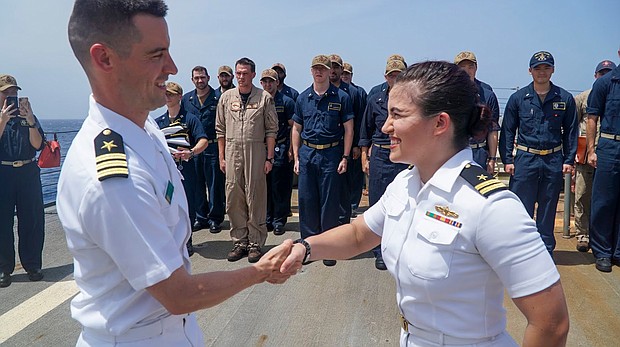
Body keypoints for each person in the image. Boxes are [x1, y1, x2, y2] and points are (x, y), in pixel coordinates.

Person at [281, 61, 570, 347]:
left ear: (440, 123)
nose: (385, 126)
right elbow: (359, 234)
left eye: (398, 114)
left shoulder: (492, 206)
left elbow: (551, 324)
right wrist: (305, 248)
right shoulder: (406, 183)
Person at [59, 2, 296, 345]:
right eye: (156, 54)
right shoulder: (111, 179)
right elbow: (179, 294)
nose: (172, 67)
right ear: (104, 59)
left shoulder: (147, 131)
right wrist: (261, 271)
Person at [499, 51, 578, 255]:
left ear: (552, 70)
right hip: (526, 160)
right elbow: (507, 130)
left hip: (553, 160)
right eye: (537, 68)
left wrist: (568, 160)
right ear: (530, 71)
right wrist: (507, 159)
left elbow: (571, 131)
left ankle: (545, 251)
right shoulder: (518, 98)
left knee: (548, 206)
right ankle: (521, 251)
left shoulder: (565, 98)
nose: (541, 72)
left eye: (546, 68)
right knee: (521, 208)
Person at [292, 54, 353, 267]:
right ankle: (309, 247)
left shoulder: (341, 97)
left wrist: (345, 156)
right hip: (308, 155)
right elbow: (296, 128)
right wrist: (297, 157)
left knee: (330, 203)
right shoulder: (302, 98)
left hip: (331, 154)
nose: (319, 72)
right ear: (311, 71)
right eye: (315, 68)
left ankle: (328, 248)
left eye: (323, 69)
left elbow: (348, 128)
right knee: (307, 201)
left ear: (329, 71)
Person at [216, 57, 278, 263]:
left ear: (253, 75)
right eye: (238, 73)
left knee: (256, 195)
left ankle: (255, 243)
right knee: (233, 195)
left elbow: (271, 130)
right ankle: (239, 241)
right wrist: (222, 156)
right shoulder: (226, 98)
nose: (241, 77)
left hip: (256, 150)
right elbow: (220, 129)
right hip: (232, 151)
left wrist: (269, 157)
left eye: (245, 73)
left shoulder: (264, 98)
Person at [359, 60, 408, 270]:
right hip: (380, 154)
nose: (394, 79)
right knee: (378, 202)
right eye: (391, 75)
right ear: (385, 76)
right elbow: (365, 129)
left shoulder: (413, 100)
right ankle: (379, 250)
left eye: (399, 75)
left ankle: (401, 249)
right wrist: (364, 156)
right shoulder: (375, 99)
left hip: (404, 154)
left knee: (405, 204)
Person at [0, 74, 45, 288]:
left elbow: (37, 145)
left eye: (13, 92)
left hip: (27, 170)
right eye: (6, 93)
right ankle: (3, 268)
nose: (11, 96)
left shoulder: (28, 117)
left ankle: (33, 264)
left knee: (32, 220)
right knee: (2, 223)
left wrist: (30, 121)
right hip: (3, 172)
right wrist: (2, 121)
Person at [155, 81, 208, 256]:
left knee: (187, 204)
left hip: (186, 168)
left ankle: (187, 240)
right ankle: (170, 240)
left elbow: (203, 140)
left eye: (170, 94)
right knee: (167, 204)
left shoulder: (190, 118)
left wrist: (191, 152)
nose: (167, 97)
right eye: (165, 94)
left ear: (179, 96)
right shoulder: (158, 122)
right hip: (165, 171)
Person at [573, 60, 616, 253]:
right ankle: (582, 234)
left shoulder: (614, 91)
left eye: (608, 72)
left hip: (607, 153)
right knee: (582, 195)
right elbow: (572, 126)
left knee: (606, 199)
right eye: (601, 72)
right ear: (595, 75)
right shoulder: (583, 98)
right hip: (586, 153)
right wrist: (575, 151)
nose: (604, 75)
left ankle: (607, 238)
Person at [586, 48, 620, 273]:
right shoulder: (606, 83)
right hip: (609, 146)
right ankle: (602, 252)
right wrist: (591, 150)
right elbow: (591, 118)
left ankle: (618, 251)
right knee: (603, 201)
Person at [182, 66, 225, 233]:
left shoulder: (219, 98)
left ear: (208, 78)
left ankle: (215, 218)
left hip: (214, 146)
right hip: (194, 148)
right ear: (192, 80)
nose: (200, 80)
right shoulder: (186, 99)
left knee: (215, 185)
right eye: (197, 78)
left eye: (203, 77)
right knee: (197, 183)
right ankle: (201, 217)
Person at [329, 54, 364, 223]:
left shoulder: (353, 93)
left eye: (337, 67)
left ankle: (348, 212)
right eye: (331, 67)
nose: (334, 70)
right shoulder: (321, 90)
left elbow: (360, 121)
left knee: (350, 180)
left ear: (342, 70)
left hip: (349, 145)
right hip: (329, 147)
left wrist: (358, 145)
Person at [260, 69, 295, 236]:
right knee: (264, 186)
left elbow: (293, 126)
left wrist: (291, 149)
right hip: (261, 148)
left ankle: (279, 220)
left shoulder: (286, 101)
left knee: (279, 186)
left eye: (271, 81)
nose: (268, 85)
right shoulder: (257, 100)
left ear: (277, 83)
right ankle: (267, 218)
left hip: (281, 147)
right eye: (265, 82)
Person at [454, 51, 500, 173]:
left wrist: (492, 159)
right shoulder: (447, 94)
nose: (467, 71)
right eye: (462, 67)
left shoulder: (487, 95)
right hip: (455, 153)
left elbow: (492, 129)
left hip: (478, 153)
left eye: (470, 67)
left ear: (476, 68)